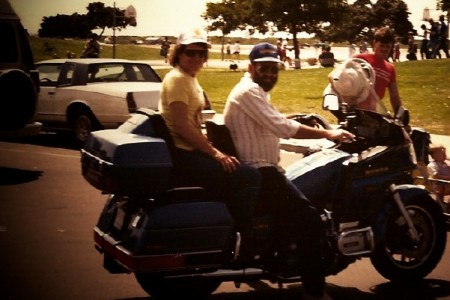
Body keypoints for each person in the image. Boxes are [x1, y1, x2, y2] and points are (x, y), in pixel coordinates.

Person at [223, 42, 354, 300]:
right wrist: (329, 133)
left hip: (262, 170)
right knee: (310, 219)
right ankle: (314, 291)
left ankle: (278, 262)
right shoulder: (249, 91)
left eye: (274, 69)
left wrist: (305, 133)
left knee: (294, 209)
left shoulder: (254, 91)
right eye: (264, 69)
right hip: (261, 173)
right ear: (251, 67)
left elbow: (270, 128)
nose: (270, 74)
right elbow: (281, 127)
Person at [158, 28, 260, 236]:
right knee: (250, 176)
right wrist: (215, 153)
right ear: (178, 53)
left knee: (236, 166)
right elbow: (181, 126)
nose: (196, 58)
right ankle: (244, 235)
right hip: (184, 155)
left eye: (201, 53)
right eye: (190, 52)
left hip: (188, 150)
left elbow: (190, 121)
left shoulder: (188, 77)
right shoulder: (177, 79)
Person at [352, 26, 403, 114]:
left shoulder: (390, 69)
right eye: (381, 45)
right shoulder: (359, 58)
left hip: (373, 112)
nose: (384, 49)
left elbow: (394, 97)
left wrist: (401, 118)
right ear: (374, 43)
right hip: (353, 109)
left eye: (387, 46)